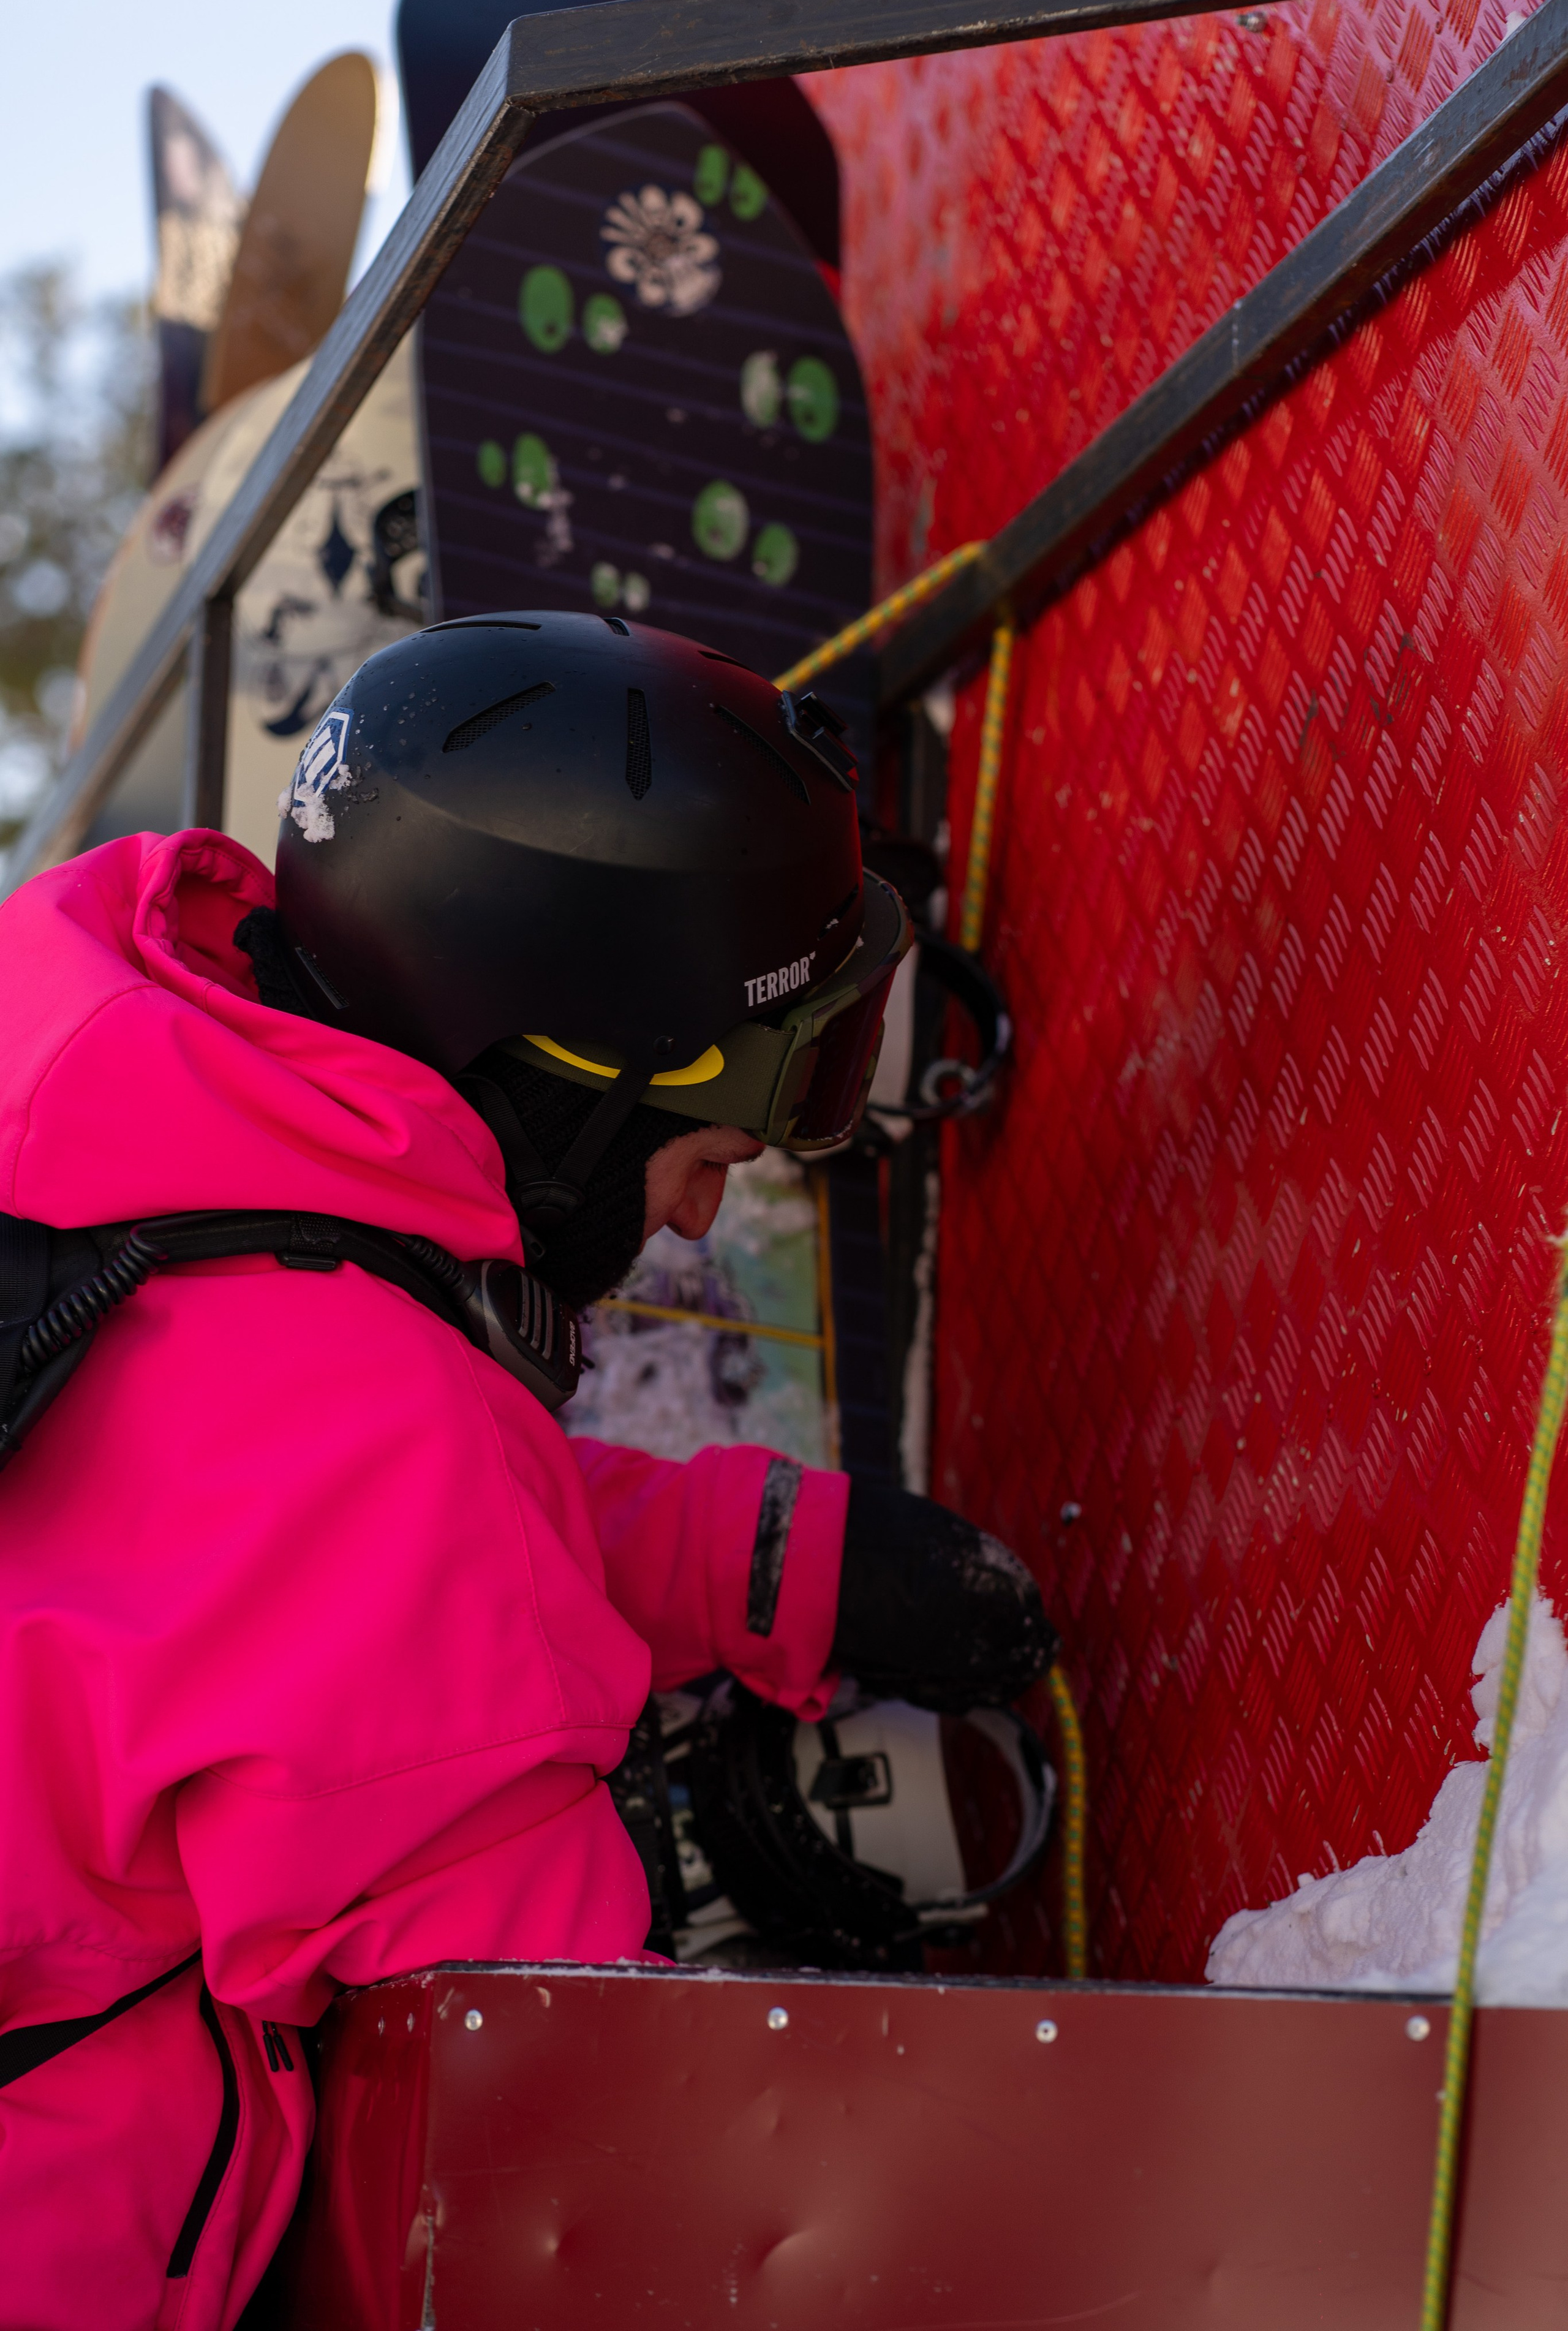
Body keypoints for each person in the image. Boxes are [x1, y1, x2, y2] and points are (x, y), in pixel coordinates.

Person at [0, 614, 1053, 2329]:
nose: (708, 1214)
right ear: (565, 1105)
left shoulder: (108, 1101)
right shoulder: (361, 1422)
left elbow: (249, 1547)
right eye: (704, 1156)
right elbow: (566, 2076)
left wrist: (751, 1557)